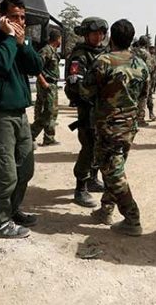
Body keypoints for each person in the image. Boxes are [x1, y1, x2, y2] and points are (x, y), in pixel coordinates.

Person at [0, 0, 43, 238]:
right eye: (14, 17)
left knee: (25, 170)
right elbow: (1, 64)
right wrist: (11, 38)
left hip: (20, 114)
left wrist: (23, 45)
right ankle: (1, 223)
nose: (20, 21)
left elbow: (36, 67)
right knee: (6, 174)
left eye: (23, 17)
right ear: (2, 18)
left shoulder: (20, 40)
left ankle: (13, 211)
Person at [83, 19, 149, 236]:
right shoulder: (141, 64)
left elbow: (86, 91)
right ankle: (106, 210)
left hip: (109, 127)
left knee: (112, 172)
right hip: (129, 126)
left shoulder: (103, 61)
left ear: (111, 37)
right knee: (114, 168)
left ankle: (132, 218)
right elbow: (143, 95)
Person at [65, 17, 108, 207]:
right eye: (94, 33)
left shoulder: (104, 53)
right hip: (88, 109)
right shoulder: (80, 56)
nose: (98, 37)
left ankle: (93, 178)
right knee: (89, 147)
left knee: (99, 146)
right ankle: (80, 187)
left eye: (101, 33)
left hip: (102, 109)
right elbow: (76, 84)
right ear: (86, 34)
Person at [31, 29, 62, 146]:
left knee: (53, 111)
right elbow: (36, 67)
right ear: (58, 39)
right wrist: (43, 82)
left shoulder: (53, 51)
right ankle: (30, 133)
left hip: (52, 84)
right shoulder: (46, 50)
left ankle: (49, 138)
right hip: (47, 84)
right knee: (48, 112)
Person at [132, 36, 156, 125]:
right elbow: (149, 68)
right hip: (144, 78)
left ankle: (132, 117)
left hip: (132, 78)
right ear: (146, 44)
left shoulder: (133, 51)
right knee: (143, 98)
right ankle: (140, 119)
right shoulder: (147, 54)